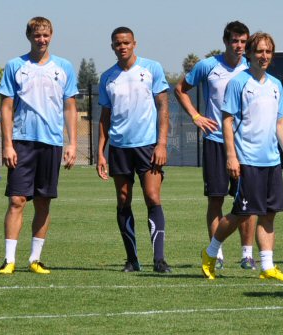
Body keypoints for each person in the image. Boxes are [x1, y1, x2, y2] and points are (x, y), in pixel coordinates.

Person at [201, 32, 283, 281]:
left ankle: (267, 267)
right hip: (247, 160)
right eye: (259, 51)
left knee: (269, 213)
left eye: (268, 52)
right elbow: (227, 119)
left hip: (271, 161)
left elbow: (279, 122)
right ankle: (210, 254)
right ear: (250, 54)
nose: (263, 56)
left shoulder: (276, 84)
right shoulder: (238, 82)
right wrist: (231, 156)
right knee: (241, 213)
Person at [0, 16, 78, 275]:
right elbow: (6, 107)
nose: (41, 40)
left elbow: (70, 107)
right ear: (29, 37)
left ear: (51, 35)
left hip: (52, 142)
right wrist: (7, 144)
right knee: (17, 200)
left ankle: (35, 259)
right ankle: (9, 259)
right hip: (22, 142)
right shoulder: (14, 66)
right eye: (36, 36)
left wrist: (72, 143)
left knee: (43, 202)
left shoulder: (64, 67)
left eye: (45, 35)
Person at [174, 21, 258, 270]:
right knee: (216, 199)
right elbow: (180, 89)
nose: (239, 46)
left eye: (243, 41)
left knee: (248, 202)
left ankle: (247, 254)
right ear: (225, 41)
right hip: (215, 142)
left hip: (245, 144)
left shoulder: (251, 68)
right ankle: (216, 253)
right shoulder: (208, 65)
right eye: (235, 41)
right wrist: (196, 116)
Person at [97, 27, 172, 273]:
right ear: (112, 46)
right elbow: (104, 117)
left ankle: (159, 260)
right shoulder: (107, 77)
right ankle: (132, 259)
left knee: (152, 197)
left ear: (134, 43)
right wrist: (101, 151)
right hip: (119, 148)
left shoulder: (152, 69)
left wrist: (161, 143)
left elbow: (163, 107)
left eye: (126, 42)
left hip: (148, 146)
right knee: (122, 199)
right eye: (118, 43)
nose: (122, 47)